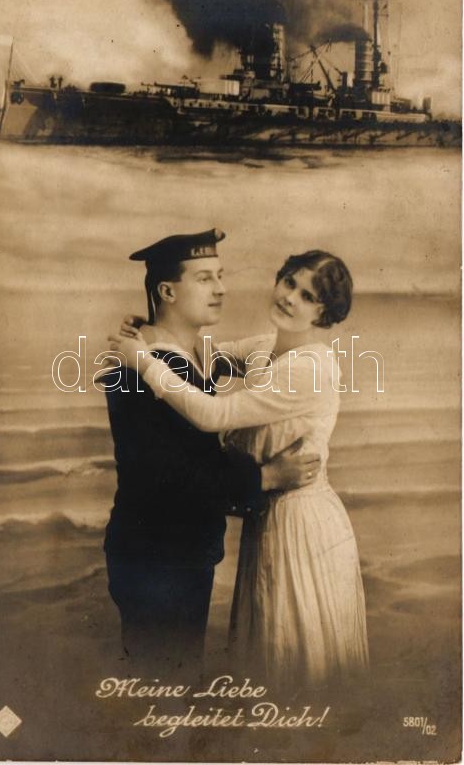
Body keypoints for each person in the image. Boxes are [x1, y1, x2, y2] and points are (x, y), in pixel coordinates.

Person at [113, 249, 369, 691]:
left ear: (323, 312)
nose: (291, 298)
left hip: (303, 522)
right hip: (269, 517)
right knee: (269, 649)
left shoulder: (309, 368)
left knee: (297, 659)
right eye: (289, 282)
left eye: (307, 296)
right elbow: (201, 355)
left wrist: (145, 363)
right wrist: (153, 331)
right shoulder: (266, 346)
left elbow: (214, 415)